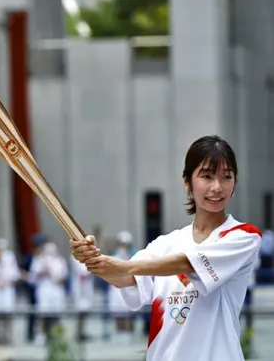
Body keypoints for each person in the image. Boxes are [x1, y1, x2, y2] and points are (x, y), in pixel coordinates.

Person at [71, 135, 262, 361]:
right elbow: (124, 277)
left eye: (226, 177)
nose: (217, 187)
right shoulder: (165, 244)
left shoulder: (243, 236)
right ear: (187, 183)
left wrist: (122, 265)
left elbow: (186, 263)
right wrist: (92, 258)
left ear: (234, 184)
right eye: (207, 176)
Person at [29, 241, 68, 345]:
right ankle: (41, 336)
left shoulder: (60, 261)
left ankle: (57, 337)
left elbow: (63, 278)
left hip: (56, 290)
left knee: (57, 314)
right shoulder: (39, 260)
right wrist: (43, 270)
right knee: (42, 314)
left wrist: (54, 275)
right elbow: (33, 276)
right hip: (44, 290)